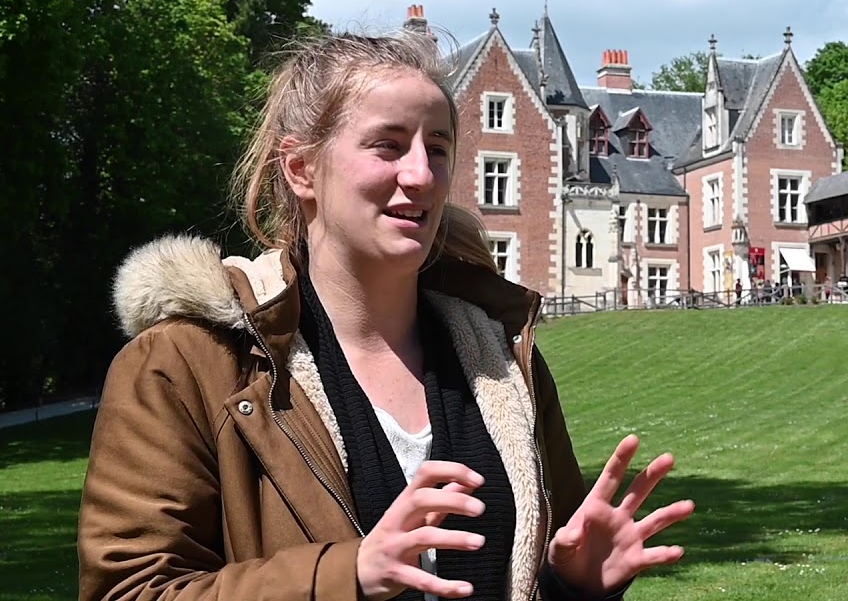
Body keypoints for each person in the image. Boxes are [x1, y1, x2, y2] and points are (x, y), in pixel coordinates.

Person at [77, 31, 695, 601]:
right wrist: (346, 575)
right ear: (300, 170)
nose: (422, 175)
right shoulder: (187, 363)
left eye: (439, 148)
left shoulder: (503, 358)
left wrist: (571, 585)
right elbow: (128, 589)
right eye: (387, 146)